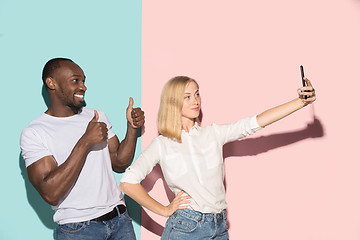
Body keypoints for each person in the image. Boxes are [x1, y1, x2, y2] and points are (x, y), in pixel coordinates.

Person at [119, 75, 316, 239]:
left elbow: (255, 122)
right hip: (186, 228)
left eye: (197, 94)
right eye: (187, 96)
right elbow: (127, 182)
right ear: (173, 102)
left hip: (219, 226)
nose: (195, 100)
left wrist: (300, 102)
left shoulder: (212, 134)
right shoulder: (162, 145)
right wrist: (164, 210)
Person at [20, 57, 145, 240]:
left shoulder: (96, 116)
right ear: (51, 83)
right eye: (75, 81)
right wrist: (85, 142)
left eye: (84, 81)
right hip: (79, 229)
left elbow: (119, 162)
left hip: (120, 220)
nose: (83, 87)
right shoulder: (35, 132)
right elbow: (51, 193)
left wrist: (132, 128)